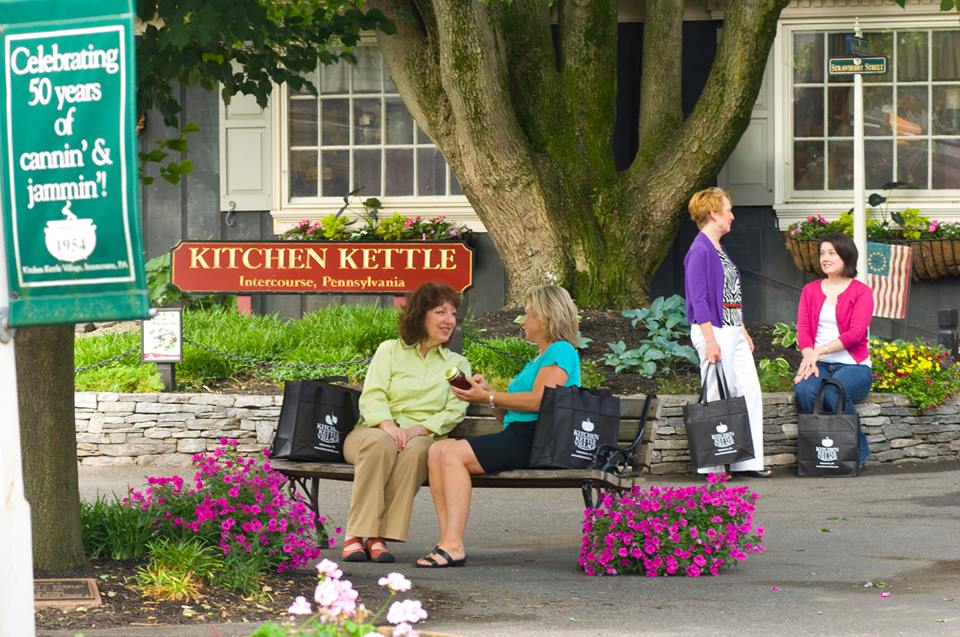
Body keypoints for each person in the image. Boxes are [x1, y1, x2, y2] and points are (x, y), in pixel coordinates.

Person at [415, 284, 581, 568]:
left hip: (536, 440)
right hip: (519, 434)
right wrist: (487, 395)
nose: (523, 321)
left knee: (451, 454)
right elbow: (511, 415)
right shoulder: (540, 357)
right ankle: (448, 541)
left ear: (545, 317)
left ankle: (453, 545)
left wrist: (487, 397)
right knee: (437, 450)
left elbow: (540, 401)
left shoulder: (562, 350)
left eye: (528, 314)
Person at [340, 283, 471, 563]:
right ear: (420, 315)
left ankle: (378, 536)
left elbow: (454, 410)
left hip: (421, 436)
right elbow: (373, 394)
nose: (449, 320)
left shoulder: (457, 364)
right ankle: (356, 533)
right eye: (440, 312)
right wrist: (388, 425)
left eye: (453, 313)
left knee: (419, 448)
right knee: (381, 443)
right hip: (373, 432)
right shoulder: (389, 350)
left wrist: (416, 430)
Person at [683, 187, 771, 478]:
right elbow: (698, 299)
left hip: (732, 329)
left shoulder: (717, 247)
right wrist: (710, 341)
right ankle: (712, 465)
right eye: (728, 210)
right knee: (716, 394)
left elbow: (729, 293)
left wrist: (742, 328)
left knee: (749, 391)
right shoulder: (699, 250)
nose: (732, 216)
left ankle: (748, 462)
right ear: (713, 213)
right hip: (714, 331)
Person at [793, 233, 873, 468]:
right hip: (817, 362)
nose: (825, 258)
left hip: (853, 365)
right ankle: (819, 452)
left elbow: (856, 333)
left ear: (846, 256)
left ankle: (856, 453)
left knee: (831, 392)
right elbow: (803, 328)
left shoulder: (861, 292)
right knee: (805, 391)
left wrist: (818, 351)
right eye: (822, 254)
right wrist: (809, 357)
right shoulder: (810, 290)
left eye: (831, 253)